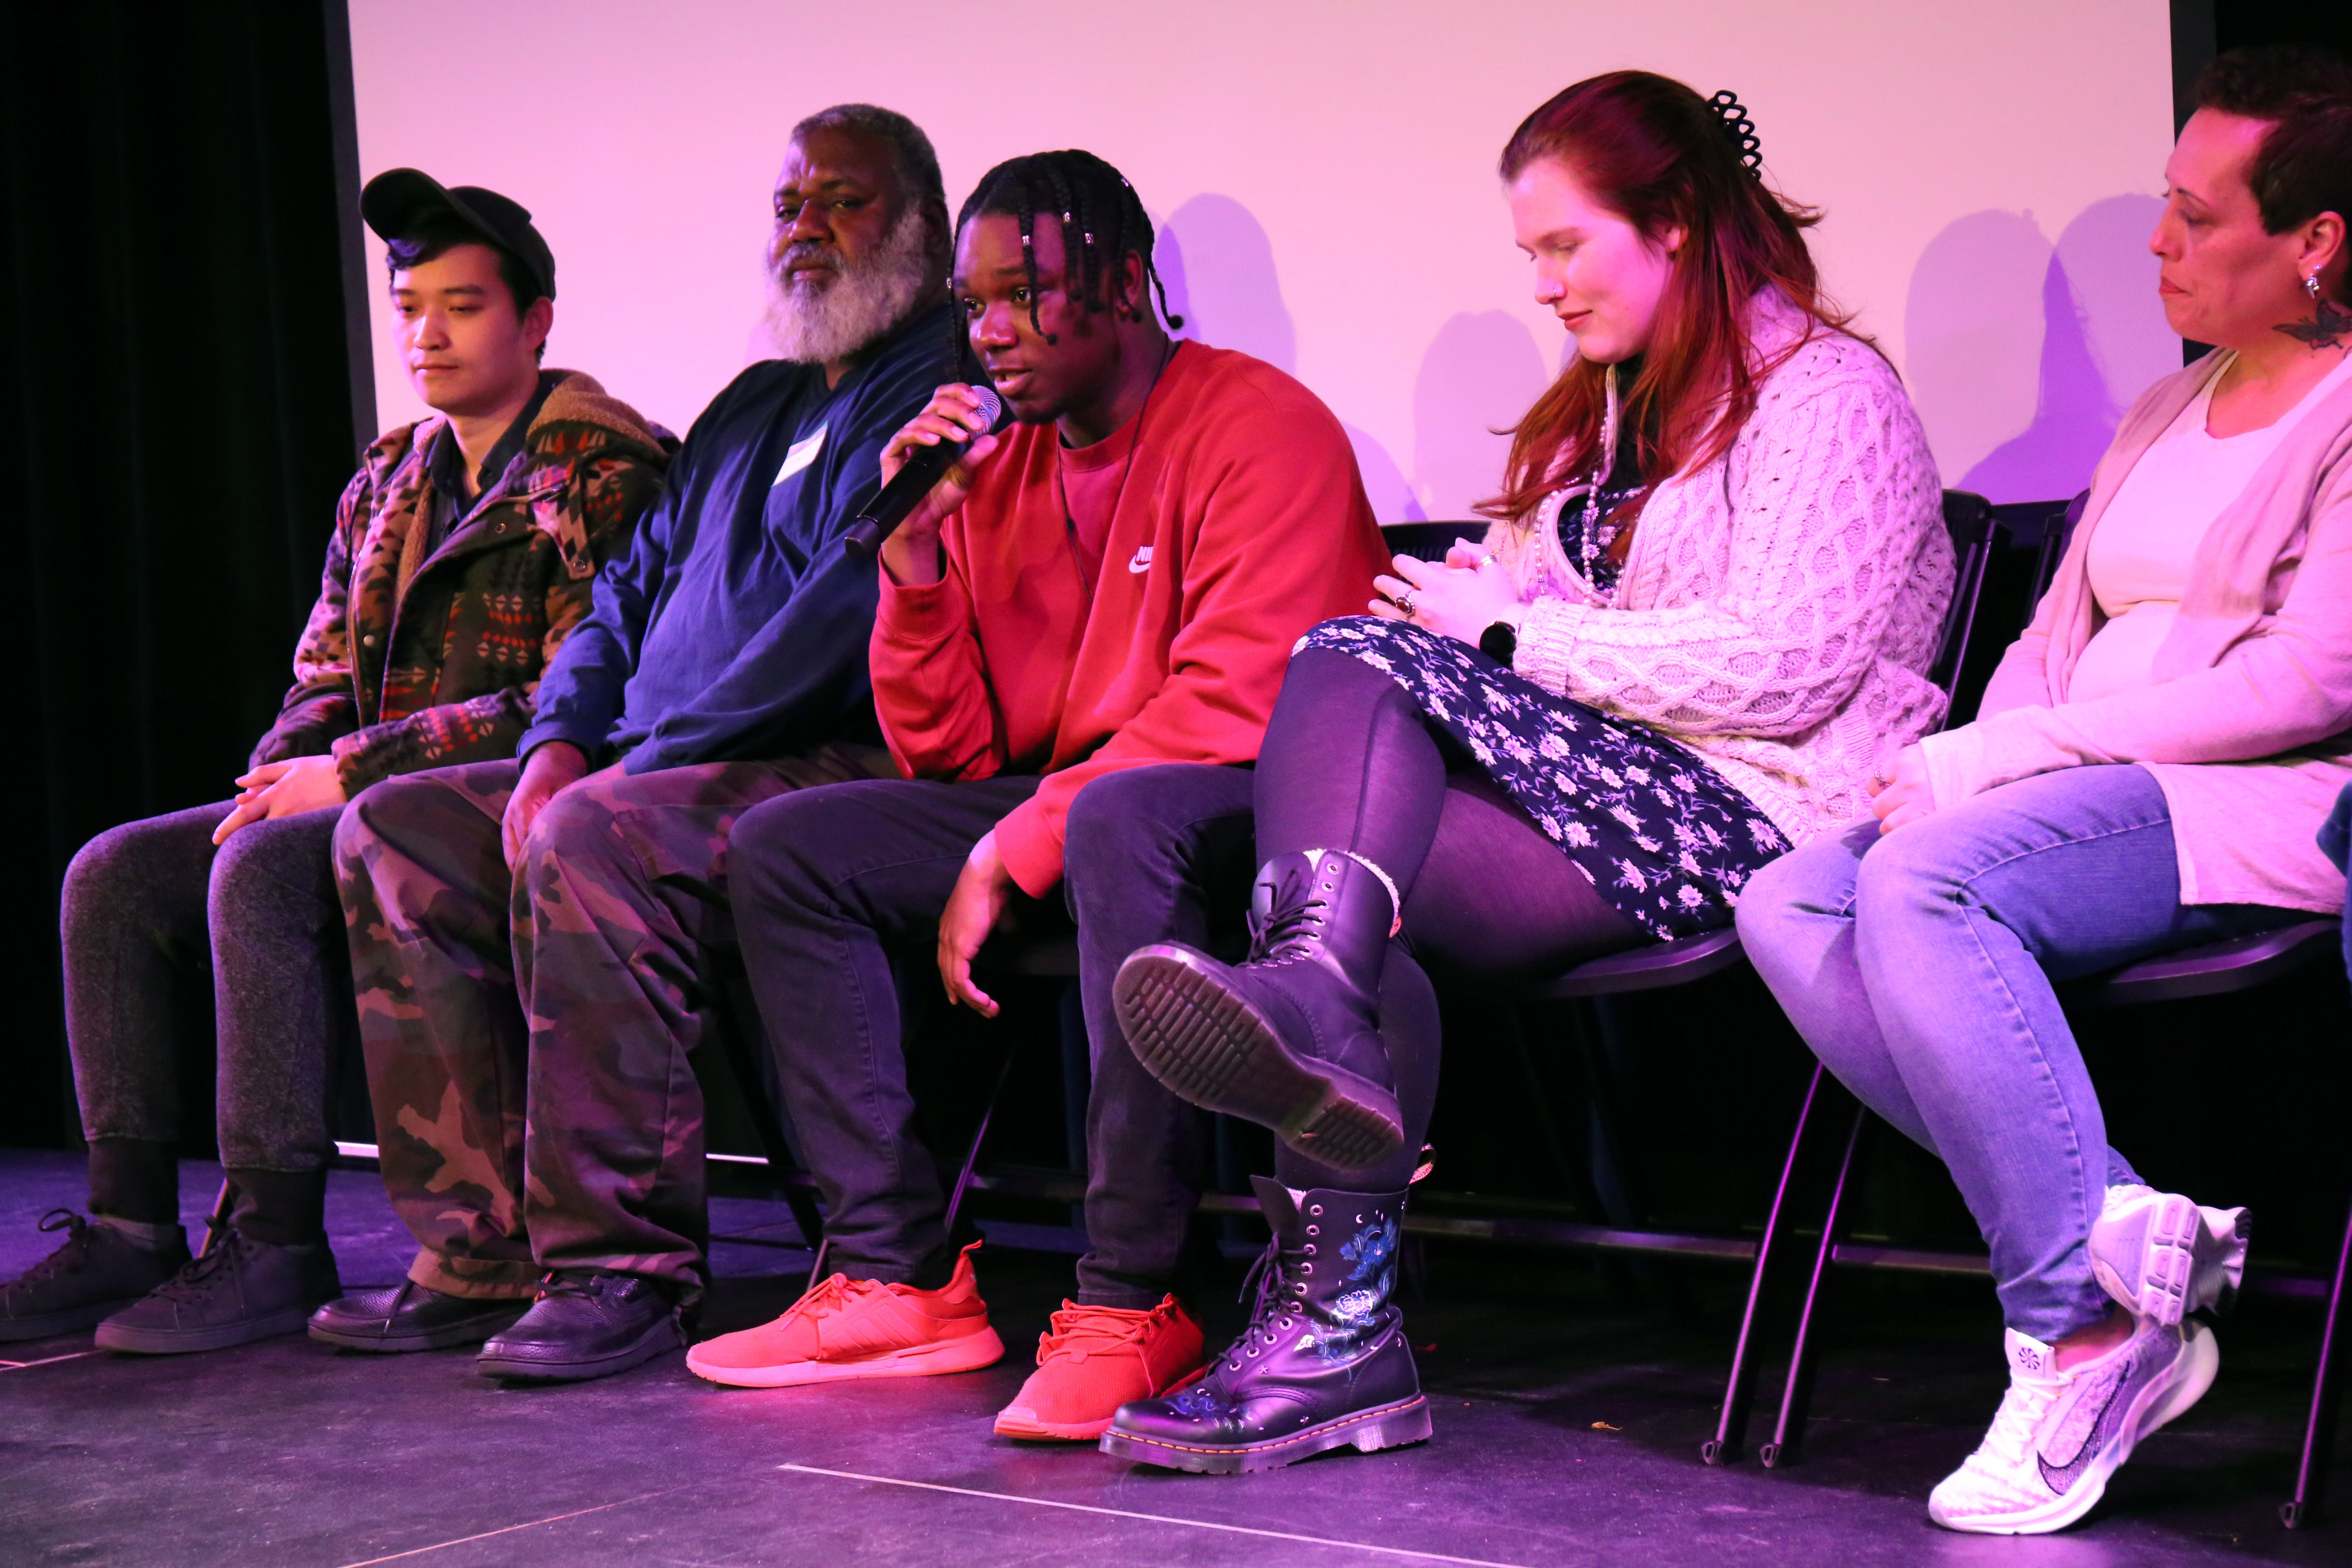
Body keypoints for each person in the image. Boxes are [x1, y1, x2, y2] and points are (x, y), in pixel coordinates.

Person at [1105, 70, 1952, 1472]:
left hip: (1756, 809)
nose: (1547, 286)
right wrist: (1491, 597)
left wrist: (1511, 634)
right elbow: (1532, 587)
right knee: (1187, 825)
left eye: (1566, 245)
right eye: (1533, 258)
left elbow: (1790, 664)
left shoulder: (1828, 398)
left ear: (1674, 221)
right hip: (1603, 791)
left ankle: (1314, 1081)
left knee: (1351, 677)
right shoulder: (1616, 418)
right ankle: (1336, 1326)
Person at [1735, 45, 2352, 1537]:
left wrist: (2004, 761)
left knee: (1920, 880)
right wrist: (1981, 751)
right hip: (2074, 797)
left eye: (2201, 218)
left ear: (2316, 243)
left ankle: (2075, 1335)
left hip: (2255, 803)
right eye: (2165, 204)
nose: (2159, 242)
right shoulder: (2160, 412)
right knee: (1790, 891)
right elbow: (2043, 639)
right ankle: (2123, 1248)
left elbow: (2311, 684)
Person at [683, 150, 1391, 1445]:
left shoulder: (1259, 425)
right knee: (790, 848)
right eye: (975, 302)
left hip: (1253, 810)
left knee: (1125, 817)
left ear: (1126, 286)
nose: (993, 330)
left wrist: (1021, 839)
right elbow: (950, 751)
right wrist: (912, 558)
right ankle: (899, 1274)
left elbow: (1247, 702)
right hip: (1071, 804)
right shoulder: (992, 473)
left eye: (1026, 292)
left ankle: (1132, 1300)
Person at [314, 105, 960, 1381]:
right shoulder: (755, 402)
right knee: (397, 826)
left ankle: (623, 1268)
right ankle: (480, 1248)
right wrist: (559, 737)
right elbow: (623, 601)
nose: (807, 228)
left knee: (595, 834)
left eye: (845, 200)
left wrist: (634, 766)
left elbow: (848, 618)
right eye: (789, 205)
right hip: (652, 763)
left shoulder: (941, 384)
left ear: (924, 233)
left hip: (827, 765)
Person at [0, 172, 669, 1354]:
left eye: (461, 307)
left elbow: (576, 692)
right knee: (114, 872)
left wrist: (352, 773)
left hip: (498, 805)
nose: (426, 335)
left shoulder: (598, 470)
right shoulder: (393, 472)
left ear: (538, 318)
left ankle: (273, 1234)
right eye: (410, 307)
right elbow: (320, 667)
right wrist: (284, 770)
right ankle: (127, 1224)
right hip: (355, 793)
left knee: (257, 876)